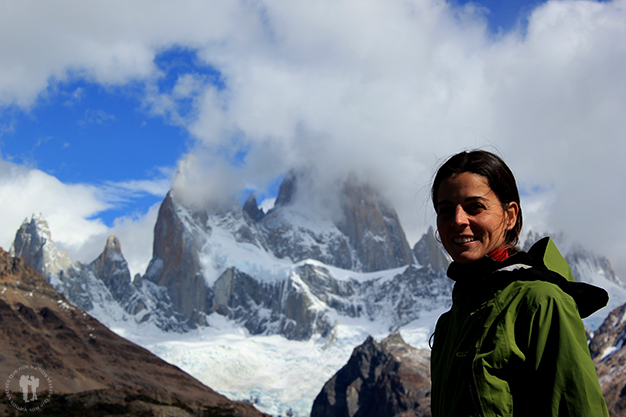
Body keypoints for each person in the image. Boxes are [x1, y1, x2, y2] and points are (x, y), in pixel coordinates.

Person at [429, 150, 609, 417]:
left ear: (510, 215)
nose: (458, 220)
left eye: (474, 206)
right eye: (445, 210)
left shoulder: (541, 301)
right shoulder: (450, 323)